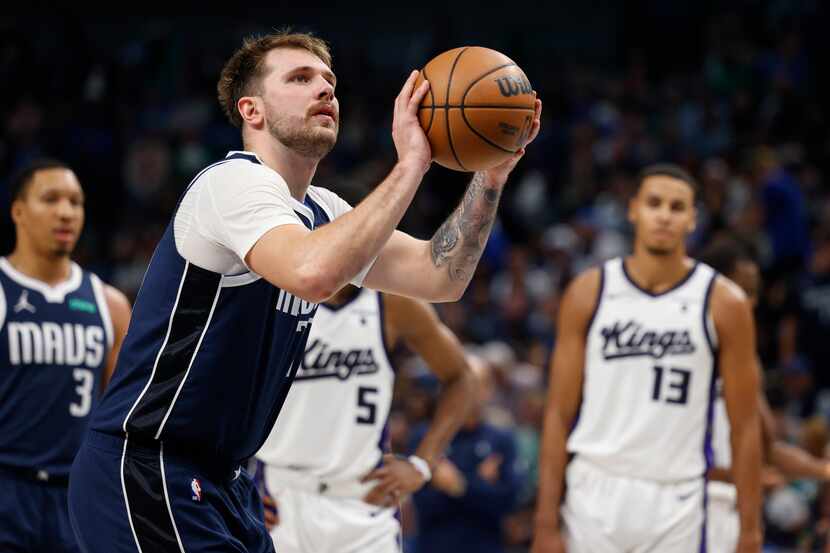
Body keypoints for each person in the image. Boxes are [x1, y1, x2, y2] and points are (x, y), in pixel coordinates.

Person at [67, 31, 541, 553]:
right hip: (151, 464)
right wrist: (412, 164)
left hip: (224, 478)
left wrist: (490, 179)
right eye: (300, 78)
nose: (324, 90)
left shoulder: (323, 209)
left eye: (329, 81)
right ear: (252, 110)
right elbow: (312, 272)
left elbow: (440, 277)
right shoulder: (231, 184)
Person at [531, 164, 763, 553]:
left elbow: (745, 427)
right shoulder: (590, 292)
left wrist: (750, 529)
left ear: (692, 220)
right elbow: (558, 413)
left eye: (677, 207)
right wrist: (545, 519)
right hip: (594, 487)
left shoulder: (725, 303)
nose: (664, 215)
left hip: (679, 498)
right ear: (634, 209)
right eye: (654, 203)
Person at [256, 284, 475, 552]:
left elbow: (462, 377)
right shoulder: (271, 295)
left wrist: (422, 464)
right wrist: (236, 482)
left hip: (364, 502)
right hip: (279, 502)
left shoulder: (392, 303)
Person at [0, 159, 130, 552]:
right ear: (18, 211)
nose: (66, 212)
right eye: (51, 199)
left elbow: (119, 414)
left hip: (76, 495)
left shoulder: (109, 304)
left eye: (76, 202)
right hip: (7, 486)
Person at [700, 237, 830, 553]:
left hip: (731, 512)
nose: (752, 302)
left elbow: (768, 449)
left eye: (755, 291)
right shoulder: (682, 352)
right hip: (681, 507)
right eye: (744, 290)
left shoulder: (747, 360)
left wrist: (824, 470)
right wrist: (743, 476)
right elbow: (659, 455)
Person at [409, 354, 524, 553]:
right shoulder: (425, 438)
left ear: (489, 390)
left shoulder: (502, 439)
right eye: (463, 384)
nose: (470, 392)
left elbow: (507, 502)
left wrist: (457, 485)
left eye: (479, 384)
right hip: (435, 545)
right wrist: (479, 483)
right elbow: (423, 503)